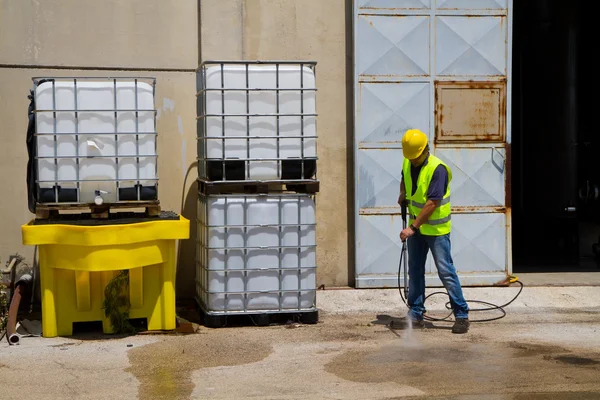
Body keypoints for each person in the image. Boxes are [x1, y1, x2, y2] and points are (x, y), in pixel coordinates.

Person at [397, 129, 470, 334]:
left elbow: (432, 203)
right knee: (415, 270)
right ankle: (416, 313)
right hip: (417, 229)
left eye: (415, 157)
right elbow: (404, 177)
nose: (412, 161)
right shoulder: (408, 160)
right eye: (409, 157)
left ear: (425, 150)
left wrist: (412, 228)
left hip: (436, 230)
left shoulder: (438, 170)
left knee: (445, 271)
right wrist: (402, 192)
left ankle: (462, 314)